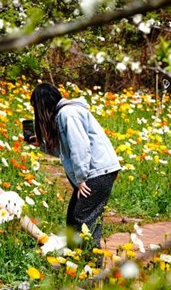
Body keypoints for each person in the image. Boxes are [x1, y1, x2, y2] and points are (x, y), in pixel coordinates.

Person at [30, 83, 121, 250]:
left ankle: (89, 263)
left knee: (83, 219)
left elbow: (80, 147)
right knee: (75, 218)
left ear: (42, 105)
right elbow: (65, 150)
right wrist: (41, 145)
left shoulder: (68, 113)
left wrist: (80, 178)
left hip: (97, 172)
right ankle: (76, 260)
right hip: (97, 171)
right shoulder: (63, 114)